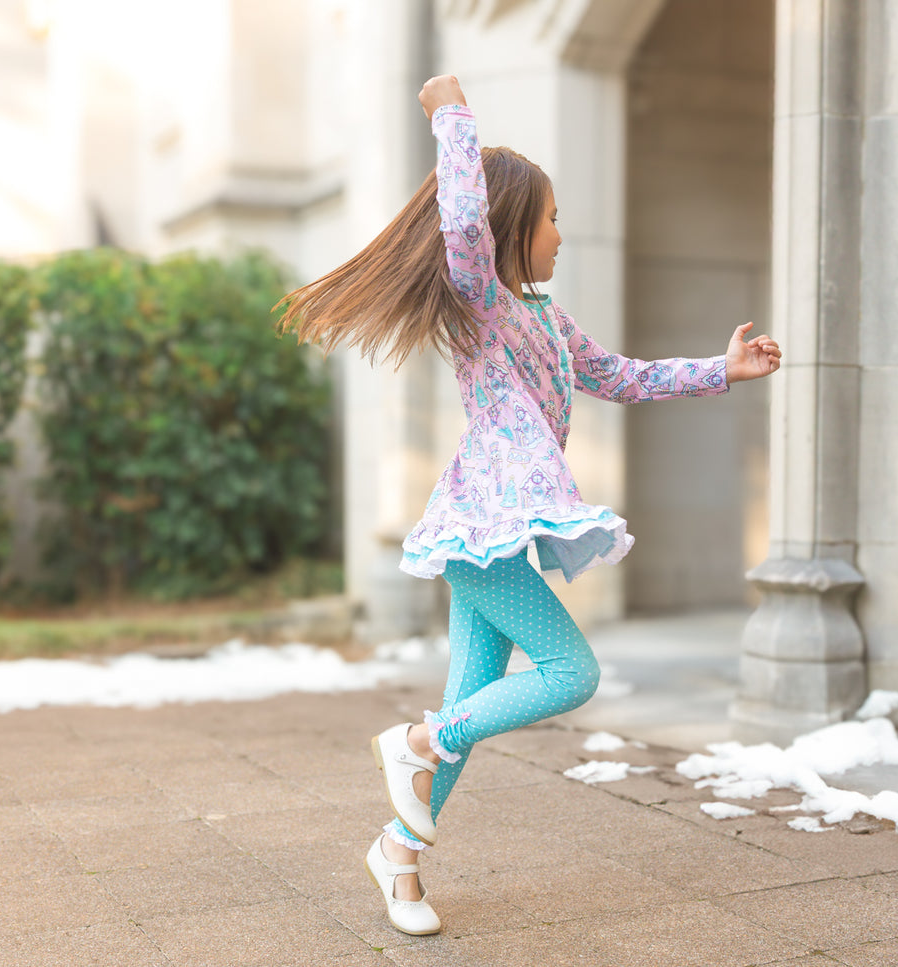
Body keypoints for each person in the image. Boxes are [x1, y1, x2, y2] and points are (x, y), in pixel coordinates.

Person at [276, 74, 782, 936]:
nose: (561, 235)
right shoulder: (478, 299)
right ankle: (415, 744)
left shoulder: (543, 317)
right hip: (486, 524)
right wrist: (454, 120)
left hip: (501, 527)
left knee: (471, 701)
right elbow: (462, 224)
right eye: (550, 219)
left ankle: (399, 851)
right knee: (569, 673)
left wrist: (716, 369)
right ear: (513, 227)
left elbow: (619, 375)